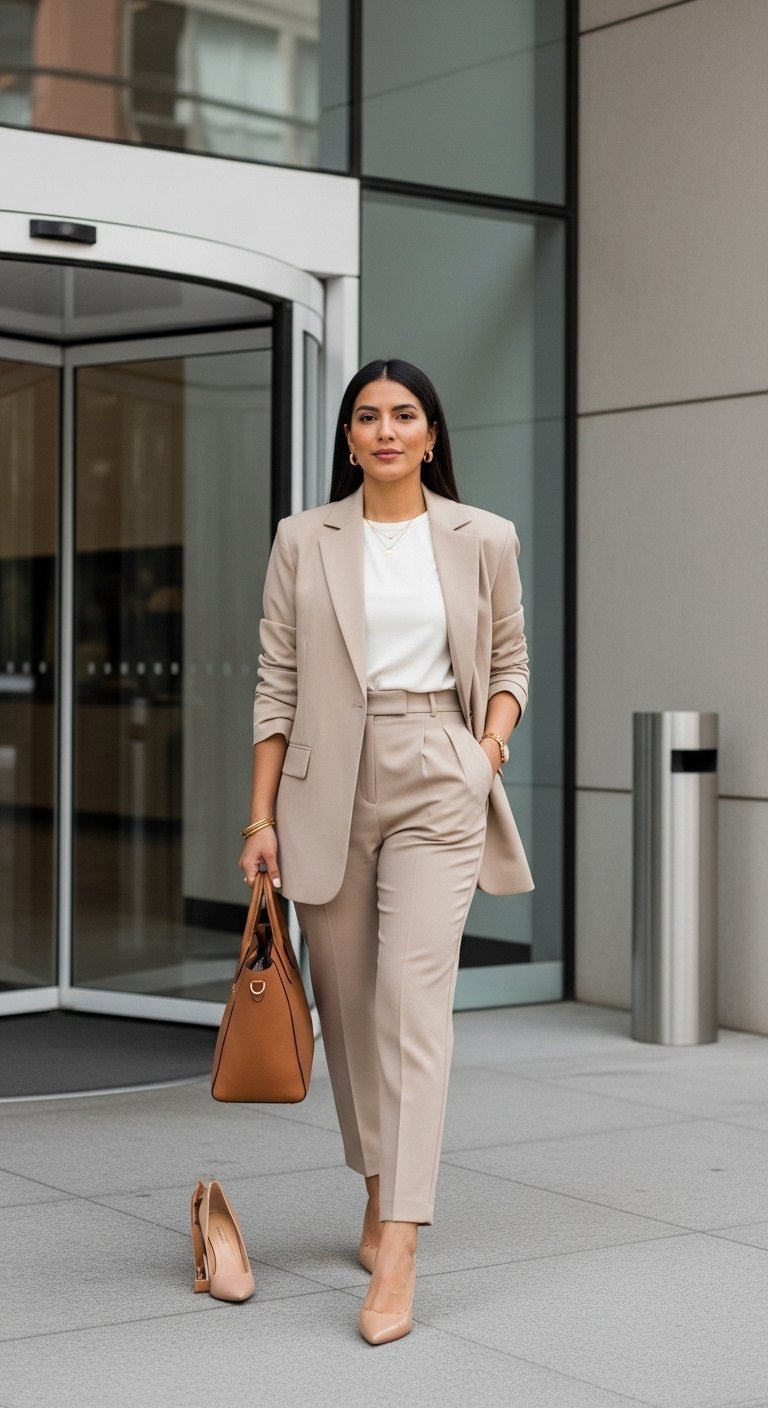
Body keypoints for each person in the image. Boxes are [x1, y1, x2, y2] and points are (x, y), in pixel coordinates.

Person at [240, 358, 533, 1345]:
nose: (386, 430)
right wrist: (260, 819)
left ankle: (401, 1238)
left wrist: (484, 752)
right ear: (350, 437)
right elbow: (276, 679)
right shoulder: (304, 537)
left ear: (432, 434)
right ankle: (376, 1185)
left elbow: (510, 662)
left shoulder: (484, 536)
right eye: (367, 416)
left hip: (437, 768)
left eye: (405, 415)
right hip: (325, 782)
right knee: (352, 1010)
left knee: (414, 1006)